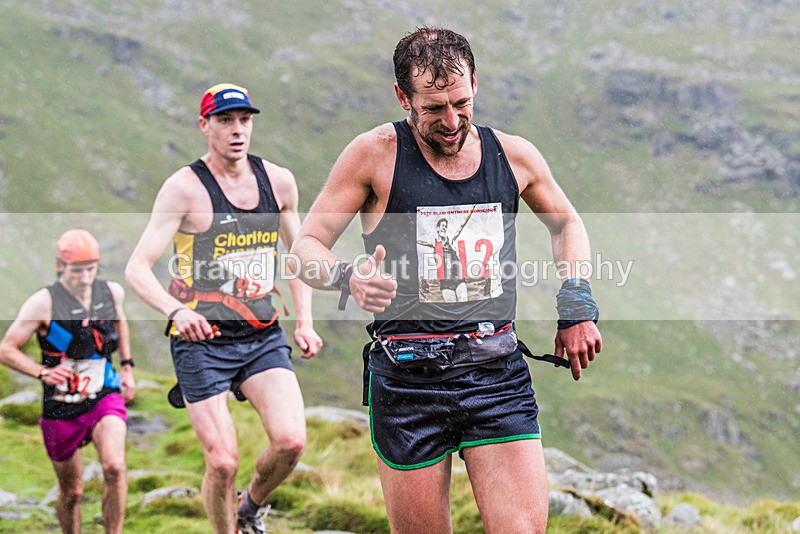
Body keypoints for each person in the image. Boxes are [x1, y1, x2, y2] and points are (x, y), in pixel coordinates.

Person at [290, 27, 602, 533]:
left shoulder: (514, 156)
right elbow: (304, 249)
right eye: (434, 109)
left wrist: (577, 304)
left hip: (494, 373)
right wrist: (347, 278)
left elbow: (566, 222)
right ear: (402, 97)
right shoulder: (374, 155)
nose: (452, 121)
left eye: (461, 102)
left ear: (475, 83)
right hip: (408, 382)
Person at [124, 82, 322, 534]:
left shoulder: (279, 181)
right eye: (226, 121)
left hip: (260, 335)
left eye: (245, 120)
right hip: (201, 341)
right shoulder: (184, 189)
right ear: (205, 126)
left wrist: (305, 321)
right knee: (223, 460)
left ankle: (249, 508)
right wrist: (176, 311)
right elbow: (137, 268)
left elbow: (299, 257)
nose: (237, 130)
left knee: (291, 441)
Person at [0, 229, 135, 534]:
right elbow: (6, 349)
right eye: (77, 270)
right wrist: (42, 372)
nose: (85, 278)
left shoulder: (111, 293)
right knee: (72, 492)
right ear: (60, 266)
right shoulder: (43, 303)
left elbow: (119, 321)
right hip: (61, 406)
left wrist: (126, 366)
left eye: (90, 269)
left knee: (114, 467)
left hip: (104, 394)